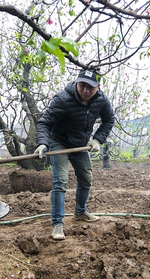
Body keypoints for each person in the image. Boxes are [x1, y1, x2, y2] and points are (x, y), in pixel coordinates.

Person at [34, 69, 115, 240]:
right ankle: (57, 223)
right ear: (77, 83)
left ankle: (80, 211)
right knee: (60, 181)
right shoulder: (63, 99)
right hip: (59, 142)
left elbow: (109, 120)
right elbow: (44, 123)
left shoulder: (101, 100)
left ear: (98, 87)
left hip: (80, 144)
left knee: (86, 178)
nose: (85, 91)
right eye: (82, 85)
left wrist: (97, 140)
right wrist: (42, 143)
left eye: (90, 87)